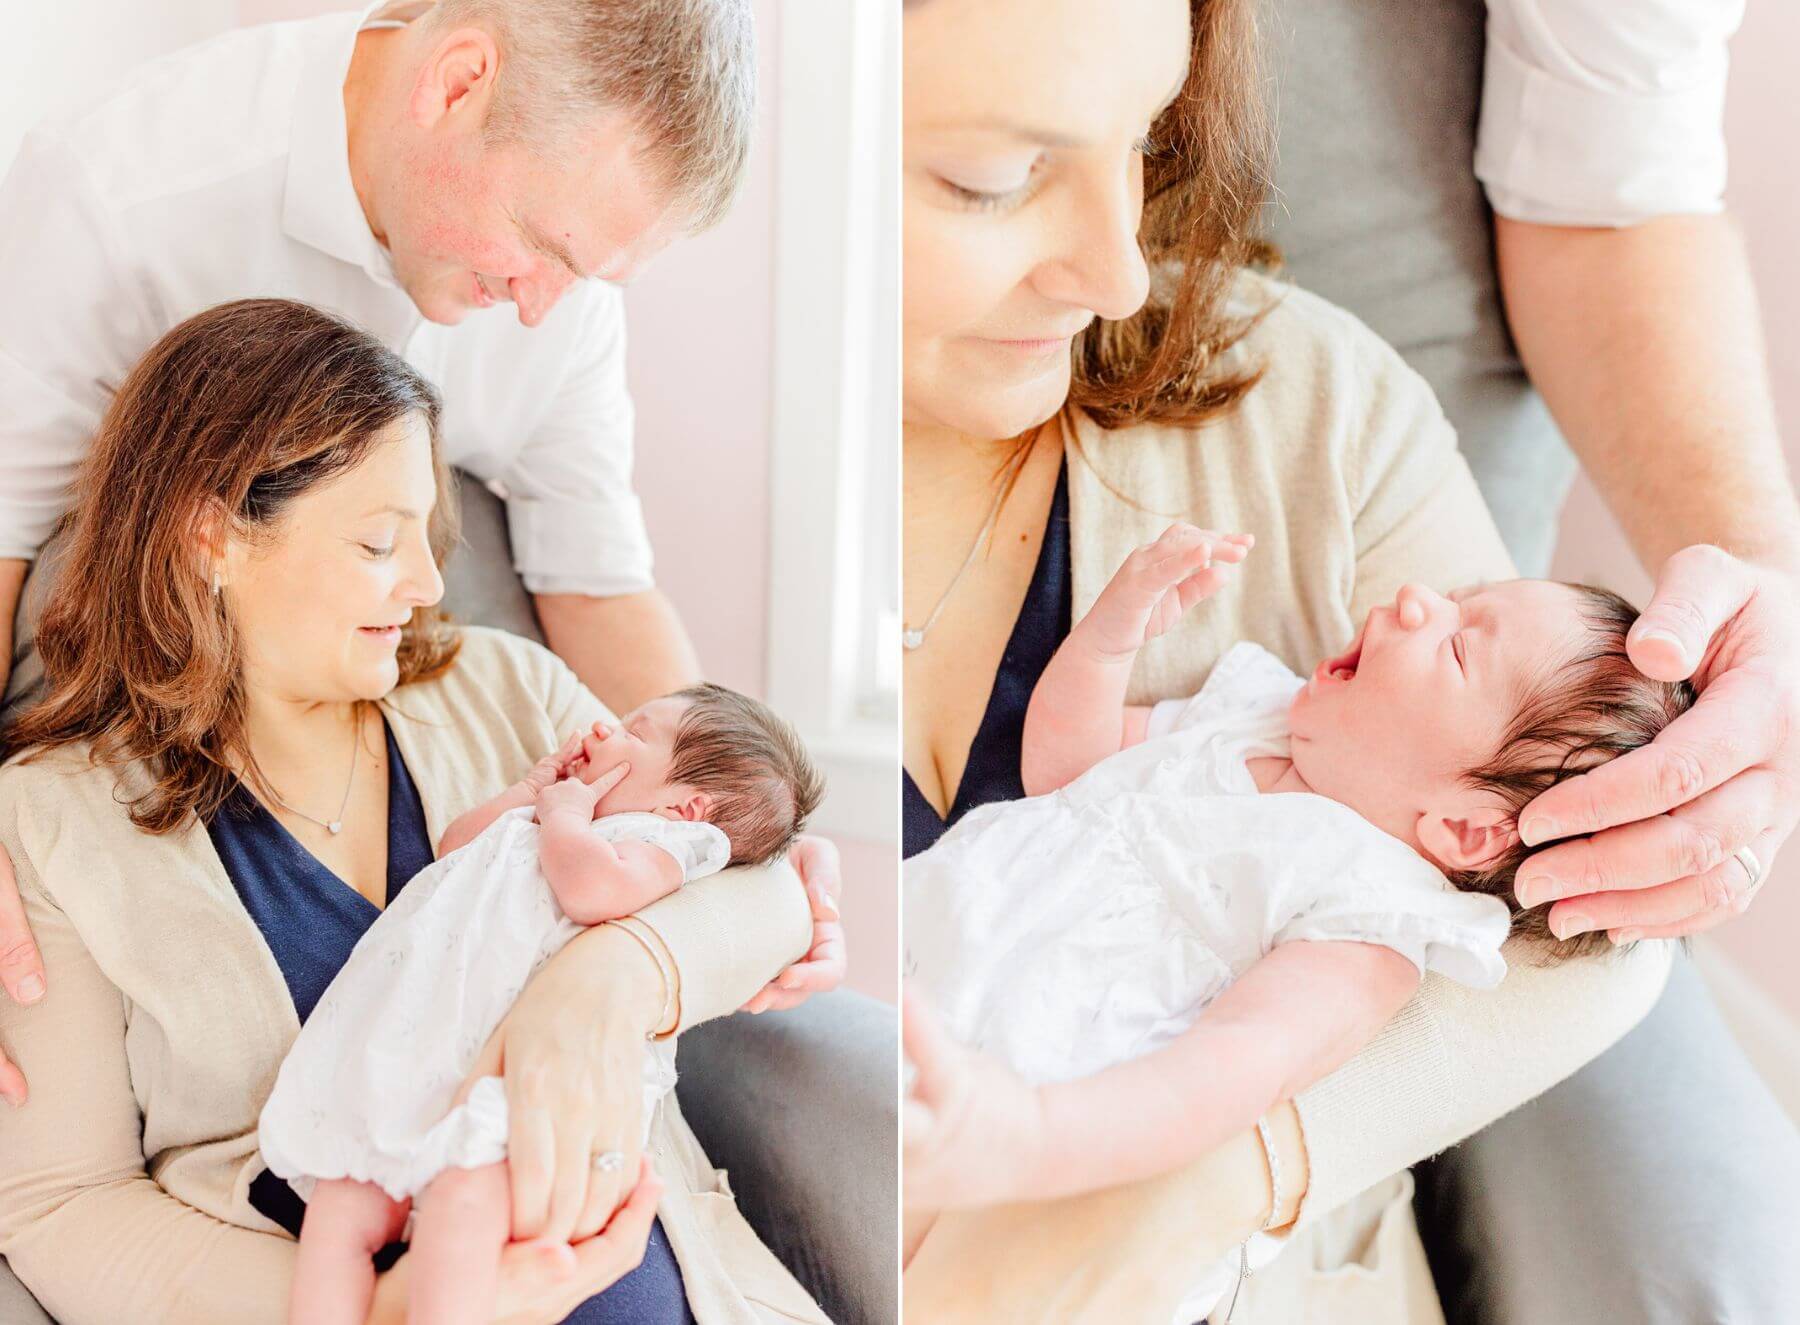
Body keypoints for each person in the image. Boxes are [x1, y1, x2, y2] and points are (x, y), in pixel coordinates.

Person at [899, 0, 1799, 1319]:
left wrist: (1137, 1191)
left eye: (1146, 143)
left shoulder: (1326, 428)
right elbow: (1076, 760)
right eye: (995, 178)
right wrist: (1121, 628)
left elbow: (1560, 952)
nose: (1121, 274)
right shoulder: (1252, 723)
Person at [0, 0, 848, 1177]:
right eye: (544, 246)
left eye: (593, 276)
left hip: (416, 769)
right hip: (150, 738)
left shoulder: (562, 311)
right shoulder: (118, 189)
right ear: (457, 81)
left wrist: (757, 810)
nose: (551, 304)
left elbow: (598, 585)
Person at [0, 298, 830, 1325]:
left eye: (429, 534)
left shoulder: (508, 693)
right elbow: (62, 1204)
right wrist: (390, 1306)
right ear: (212, 536)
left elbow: (762, 869)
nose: (434, 580)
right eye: (380, 541)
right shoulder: (52, 823)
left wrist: (613, 978)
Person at [261, 687, 821, 1325]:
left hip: (513, 1089)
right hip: (417, 1055)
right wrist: (531, 794)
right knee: (338, 1217)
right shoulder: (551, 817)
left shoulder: (659, 845)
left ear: (685, 806)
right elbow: (455, 845)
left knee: (462, 1206)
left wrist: (565, 817)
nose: (603, 728)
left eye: (633, 731)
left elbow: (590, 890)